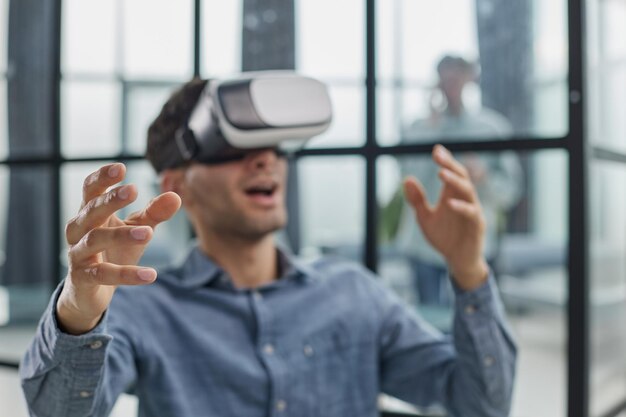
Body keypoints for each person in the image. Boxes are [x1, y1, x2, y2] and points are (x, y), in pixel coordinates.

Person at [20, 76, 516, 417]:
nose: (265, 161)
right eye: (235, 149)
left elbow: (480, 405)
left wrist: (468, 269)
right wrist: (77, 315)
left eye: (275, 146)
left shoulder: (354, 293)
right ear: (179, 185)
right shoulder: (144, 307)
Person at [392, 55, 523, 308]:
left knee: (474, 316)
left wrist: (483, 178)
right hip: (423, 244)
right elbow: (406, 180)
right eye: (445, 77)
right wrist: (431, 128)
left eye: (457, 76)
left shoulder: (491, 128)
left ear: (469, 79)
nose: (451, 84)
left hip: (472, 245)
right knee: (428, 321)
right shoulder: (417, 129)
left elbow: (511, 191)